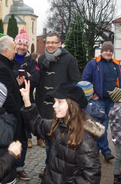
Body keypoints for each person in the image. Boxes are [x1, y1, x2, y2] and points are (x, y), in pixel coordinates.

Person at [20, 81, 103, 184]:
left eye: (59, 102)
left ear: (72, 105)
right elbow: (37, 124)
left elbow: (91, 175)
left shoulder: (84, 138)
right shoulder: (57, 126)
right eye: (55, 101)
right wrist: (27, 101)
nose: (54, 105)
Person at [35, 32, 80, 178]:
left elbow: (75, 81)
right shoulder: (41, 59)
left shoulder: (69, 59)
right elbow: (39, 82)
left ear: (59, 43)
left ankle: (62, 168)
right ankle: (49, 167)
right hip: (46, 106)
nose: (50, 45)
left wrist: (66, 100)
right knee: (49, 139)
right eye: (48, 42)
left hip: (62, 107)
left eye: (53, 42)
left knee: (62, 140)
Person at [82, 41, 121, 161]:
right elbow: (85, 79)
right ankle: (106, 150)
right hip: (98, 99)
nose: (108, 53)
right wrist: (92, 94)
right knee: (101, 124)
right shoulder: (93, 63)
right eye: (106, 50)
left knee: (104, 125)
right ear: (102, 51)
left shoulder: (116, 65)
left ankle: (96, 149)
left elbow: (120, 80)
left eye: (110, 51)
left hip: (111, 100)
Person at [11, 28, 40, 180]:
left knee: (23, 136)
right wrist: (20, 74)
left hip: (26, 103)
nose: (22, 47)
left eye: (25, 45)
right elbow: (7, 74)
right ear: (15, 44)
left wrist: (24, 77)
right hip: (10, 103)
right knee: (9, 134)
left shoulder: (32, 61)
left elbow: (37, 79)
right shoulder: (9, 58)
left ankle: (20, 167)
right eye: (20, 44)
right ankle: (8, 165)